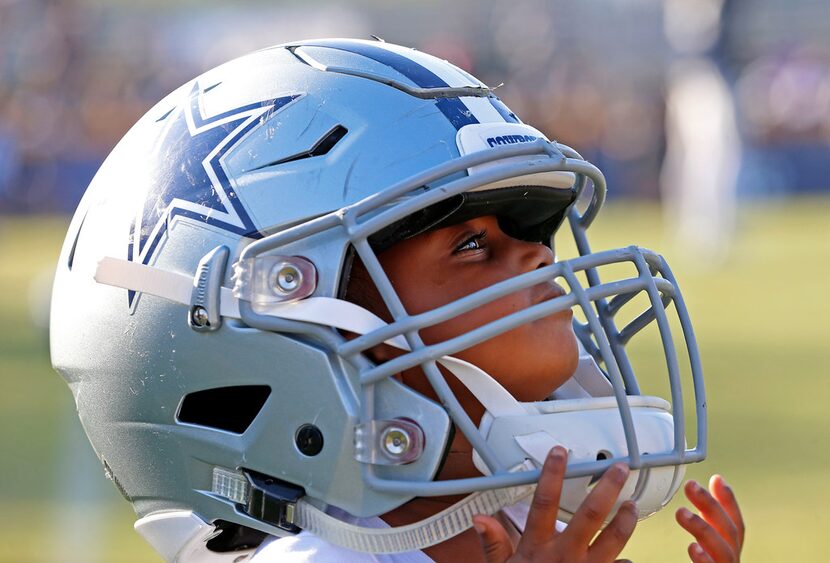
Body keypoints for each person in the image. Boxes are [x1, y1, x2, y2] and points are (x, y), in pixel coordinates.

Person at [50, 38, 743, 562]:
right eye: (471, 244)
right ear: (284, 329)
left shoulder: (522, 525)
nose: (539, 256)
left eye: (529, 233)